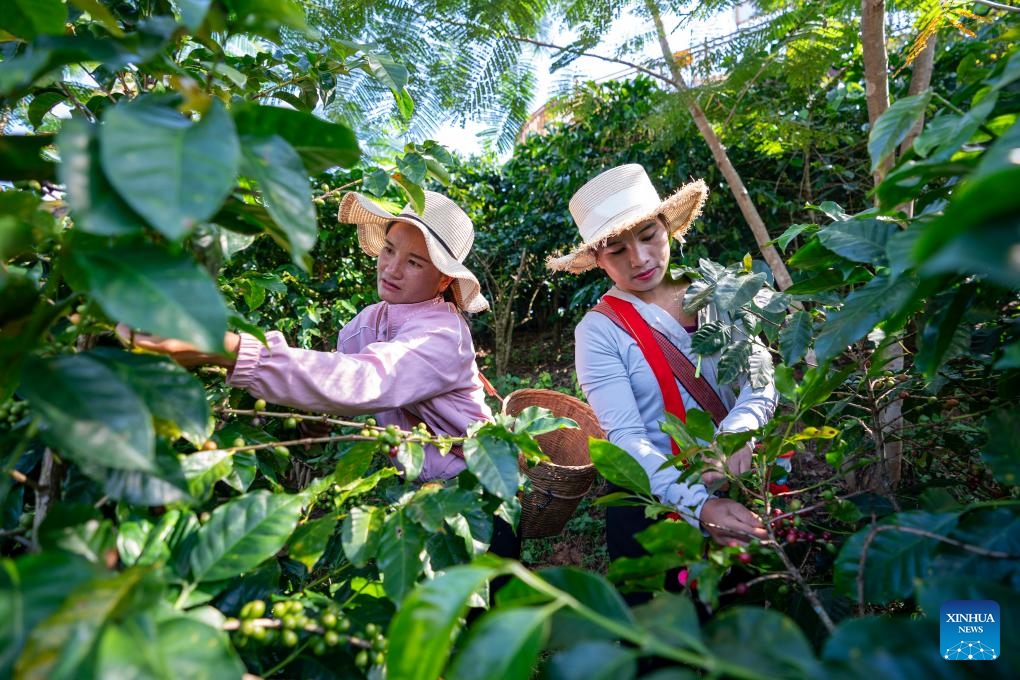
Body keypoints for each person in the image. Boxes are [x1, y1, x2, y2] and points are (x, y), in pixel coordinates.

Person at [118, 190, 498, 487]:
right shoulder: (369, 321)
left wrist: (229, 350)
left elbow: (367, 380)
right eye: (389, 250)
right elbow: (335, 371)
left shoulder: (444, 334)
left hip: (475, 490)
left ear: (445, 280)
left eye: (414, 262)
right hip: (415, 488)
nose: (392, 268)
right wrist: (324, 417)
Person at [546, 164, 778, 571]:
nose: (639, 259)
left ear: (667, 228)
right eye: (616, 250)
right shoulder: (599, 332)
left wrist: (739, 432)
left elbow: (760, 377)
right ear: (598, 259)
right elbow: (625, 438)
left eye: (649, 236)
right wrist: (700, 506)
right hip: (653, 509)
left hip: (743, 486)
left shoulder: (717, 291)